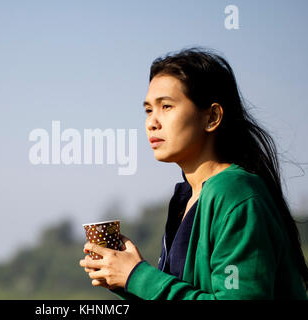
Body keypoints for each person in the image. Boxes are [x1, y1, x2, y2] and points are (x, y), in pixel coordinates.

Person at [79, 47, 308, 299]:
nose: (152, 122)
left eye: (166, 106)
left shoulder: (234, 194)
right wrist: (126, 281)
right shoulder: (185, 198)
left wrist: (138, 276)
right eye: (148, 110)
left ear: (211, 117)